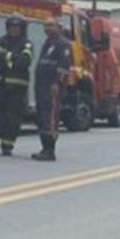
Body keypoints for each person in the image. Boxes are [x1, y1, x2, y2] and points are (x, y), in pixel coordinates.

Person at [0, 14, 34, 156]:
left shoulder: (27, 43)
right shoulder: (1, 40)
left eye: (17, 27)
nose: (14, 30)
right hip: (0, 86)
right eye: (11, 27)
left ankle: (7, 146)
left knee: (12, 118)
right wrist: (12, 58)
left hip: (17, 89)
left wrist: (6, 58)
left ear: (22, 29)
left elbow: (25, 62)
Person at [32, 17, 72, 161]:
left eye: (50, 25)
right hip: (41, 87)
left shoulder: (63, 44)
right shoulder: (48, 43)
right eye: (45, 25)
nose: (47, 28)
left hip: (52, 88)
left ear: (59, 27)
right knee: (42, 117)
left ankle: (50, 150)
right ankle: (44, 148)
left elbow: (64, 66)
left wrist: (57, 83)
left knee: (50, 118)